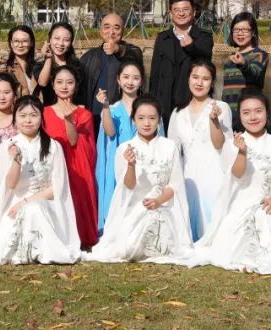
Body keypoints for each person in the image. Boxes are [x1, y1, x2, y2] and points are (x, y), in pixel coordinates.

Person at [184, 91, 271, 274]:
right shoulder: (233, 144)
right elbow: (237, 175)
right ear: (240, 116)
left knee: (264, 218)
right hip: (240, 206)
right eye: (246, 112)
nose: (253, 117)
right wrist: (242, 153)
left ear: (267, 113)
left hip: (268, 206)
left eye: (258, 111)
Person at [84, 96, 192, 263]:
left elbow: (175, 185)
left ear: (159, 120)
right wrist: (131, 165)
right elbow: (127, 187)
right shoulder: (124, 149)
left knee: (162, 240)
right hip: (135, 207)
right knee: (127, 249)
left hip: (163, 206)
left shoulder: (170, 146)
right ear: (133, 120)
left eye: (152, 118)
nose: (146, 123)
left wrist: (158, 201)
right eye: (141, 118)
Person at [0, 96, 80, 264]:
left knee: (34, 208)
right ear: (15, 118)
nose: (28, 120)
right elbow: (9, 185)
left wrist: (27, 201)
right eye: (23, 116)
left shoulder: (53, 146)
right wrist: (16, 161)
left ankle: (41, 251)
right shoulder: (7, 146)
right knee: (29, 210)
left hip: (45, 202)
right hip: (15, 202)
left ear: (41, 117)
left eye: (33, 115)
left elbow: (57, 187)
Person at [167, 59, 232, 241]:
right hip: (188, 175)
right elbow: (172, 151)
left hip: (215, 173)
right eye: (195, 77)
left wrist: (214, 121)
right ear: (188, 79)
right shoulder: (177, 112)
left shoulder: (221, 107)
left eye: (205, 78)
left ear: (212, 82)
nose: (199, 83)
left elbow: (222, 145)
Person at [94, 58, 158, 234]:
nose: (130, 82)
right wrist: (105, 107)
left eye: (135, 78)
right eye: (126, 77)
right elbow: (110, 132)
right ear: (118, 79)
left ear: (142, 81)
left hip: (144, 162)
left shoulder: (148, 109)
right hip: (120, 165)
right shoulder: (114, 109)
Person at [42, 65, 98, 248]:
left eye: (69, 82)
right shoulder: (44, 112)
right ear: (52, 85)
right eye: (59, 82)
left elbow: (74, 141)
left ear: (76, 85)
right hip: (50, 165)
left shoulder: (84, 114)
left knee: (74, 200)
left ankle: (76, 237)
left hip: (74, 165)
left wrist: (68, 119)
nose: (64, 86)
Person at [150, 0, 214, 128]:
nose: (181, 13)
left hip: (191, 99)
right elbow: (155, 73)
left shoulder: (204, 37)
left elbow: (206, 60)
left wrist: (191, 47)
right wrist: (151, 102)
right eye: (176, 10)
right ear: (170, 13)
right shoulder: (162, 38)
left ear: (194, 12)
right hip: (164, 100)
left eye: (185, 9)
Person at [79, 12, 144, 133]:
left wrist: (118, 49)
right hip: (94, 118)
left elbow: (135, 54)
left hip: (124, 117)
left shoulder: (132, 53)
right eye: (107, 27)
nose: (111, 32)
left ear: (122, 31)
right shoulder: (88, 57)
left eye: (116, 28)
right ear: (101, 31)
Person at [221, 12, 269, 131]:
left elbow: (255, 74)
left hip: (249, 115)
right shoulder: (230, 58)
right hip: (228, 114)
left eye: (244, 30)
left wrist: (243, 64)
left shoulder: (259, 55)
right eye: (236, 30)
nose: (240, 33)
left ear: (253, 32)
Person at [33, 21, 85, 106]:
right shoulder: (40, 66)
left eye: (66, 40)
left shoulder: (78, 66)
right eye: (57, 38)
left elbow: (82, 94)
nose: (61, 43)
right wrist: (49, 58)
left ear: (71, 42)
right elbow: (42, 82)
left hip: (73, 110)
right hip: (50, 111)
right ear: (49, 39)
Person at [0, 25, 37, 97]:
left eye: (25, 41)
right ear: (11, 43)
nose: (20, 45)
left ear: (31, 43)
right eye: (16, 41)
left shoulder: (38, 66)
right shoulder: (5, 67)